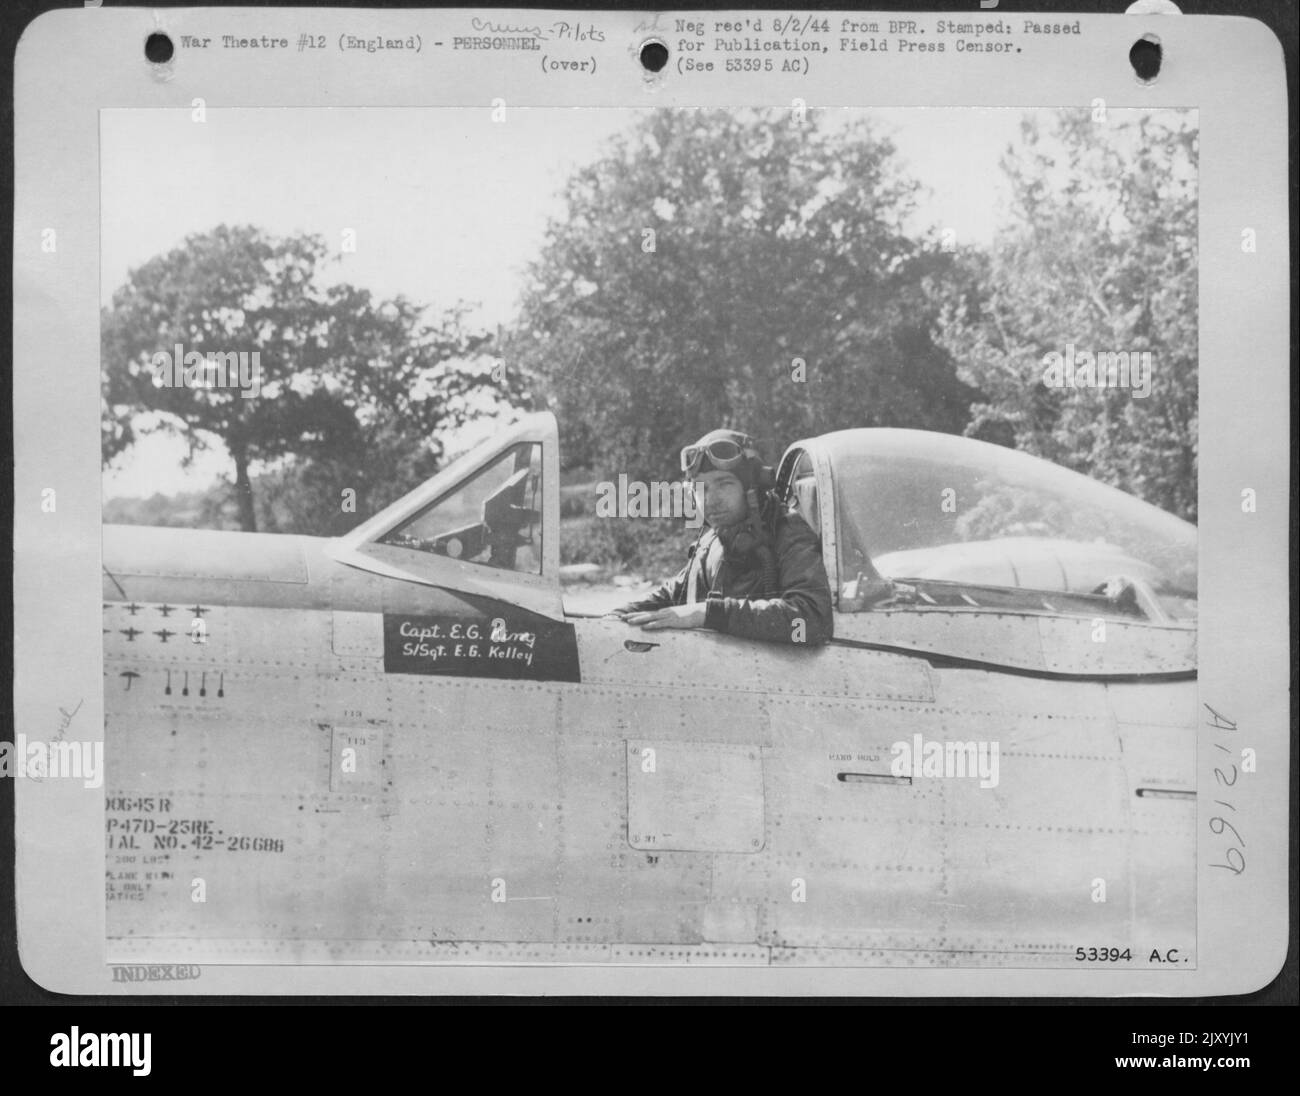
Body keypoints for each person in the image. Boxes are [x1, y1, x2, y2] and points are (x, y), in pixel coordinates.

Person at [611, 429, 833, 645]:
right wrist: (616, 617)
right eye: (701, 488)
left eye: (724, 484)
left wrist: (709, 613)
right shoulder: (712, 541)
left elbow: (811, 624)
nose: (710, 499)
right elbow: (670, 595)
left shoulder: (787, 532)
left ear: (752, 488)